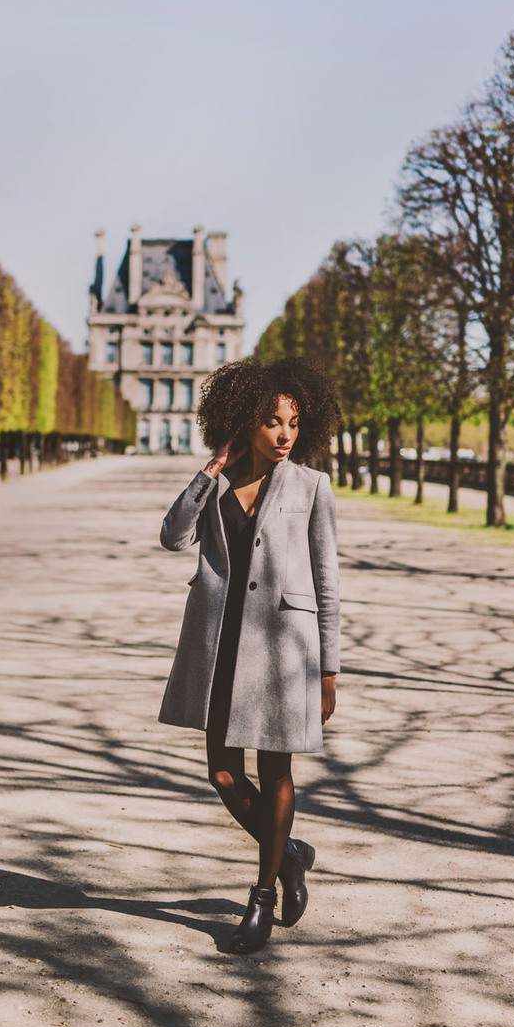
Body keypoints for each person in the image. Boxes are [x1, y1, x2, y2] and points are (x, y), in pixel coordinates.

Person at [158, 357, 341, 954]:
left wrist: (330, 667)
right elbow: (173, 536)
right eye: (271, 421)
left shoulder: (312, 486)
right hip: (220, 644)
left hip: (287, 648)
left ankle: (260, 898)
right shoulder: (219, 481)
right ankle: (288, 855)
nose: (285, 433)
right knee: (222, 773)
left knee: (277, 770)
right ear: (245, 422)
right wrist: (210, 469)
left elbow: (326, 578)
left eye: (292, 422)